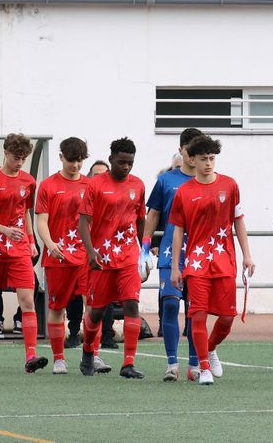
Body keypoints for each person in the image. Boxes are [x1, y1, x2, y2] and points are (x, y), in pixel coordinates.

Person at [169, 136, 255, 387]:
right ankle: (203, 367)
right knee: (197, 315)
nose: (208, 163)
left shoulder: (229, 185)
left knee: (227, 317)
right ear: (192, 160)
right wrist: (176, 266)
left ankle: (210, 349)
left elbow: (238, 220)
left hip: (224, 261)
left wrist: (247, 254)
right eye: (203, 159)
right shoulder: (184, 192)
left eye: (212, 158)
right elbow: (177, 231)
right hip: (196, 264)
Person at [0, 134, 44, 374]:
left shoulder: (28, 181)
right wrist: (6, 230)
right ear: (5, 153)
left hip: (19, 248)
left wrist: (31, 239)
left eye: (24, 158)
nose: (20, 162)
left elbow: (25, 211)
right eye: (16, 157)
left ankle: (31, 355)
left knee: (27, 300)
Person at [78, 137, 149, 379]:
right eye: (121, 162)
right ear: (111, 160)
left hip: (128, 254)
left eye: (130, 163)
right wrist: (90, 252)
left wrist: (145, 253)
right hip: (101, 257)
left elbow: (141, 219)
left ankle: (128, 364)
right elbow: (83, 222)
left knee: (131, 303)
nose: (126, 167)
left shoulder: (138, 185)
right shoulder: (95, 185)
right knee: (97, 311)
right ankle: (88, 352)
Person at [140, 131, 204, 382]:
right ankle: (171, 363)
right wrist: (145, 248)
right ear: (182, 150)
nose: (194, 155)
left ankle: (195, 364)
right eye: (190, 149)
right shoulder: (167, 180)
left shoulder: (211, 181)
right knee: (169, 303)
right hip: (170, 249)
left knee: (195, 309)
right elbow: (154, 214)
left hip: (199, 252)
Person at [35, 137, 90, 376]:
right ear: (61, 158)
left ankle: (93, 354)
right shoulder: (48, 186)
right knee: (57, 307)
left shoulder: (91, 186)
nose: (75, 165)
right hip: (58, 256)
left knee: (93, 304)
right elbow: (41, 221)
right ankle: (59, 359)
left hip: (86, 257)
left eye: (79, 161)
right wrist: (49, 244)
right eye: (71, 160)